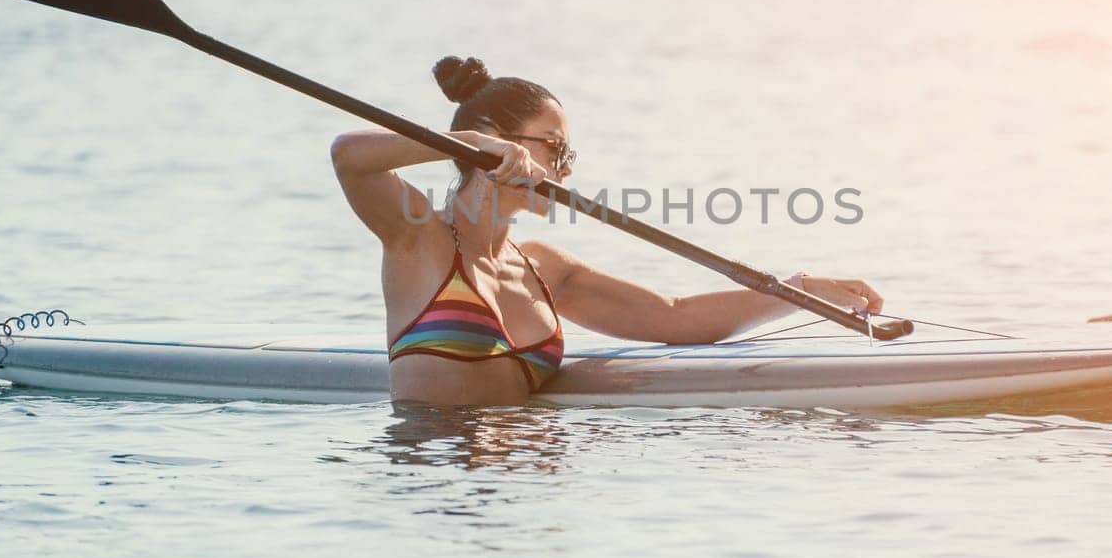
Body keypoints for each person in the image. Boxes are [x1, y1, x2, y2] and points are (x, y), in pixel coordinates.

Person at [331, 56, 884, 406]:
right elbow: (349, 157)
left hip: (535, 499)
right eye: (556, 147)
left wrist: (799, 291)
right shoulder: (418, 239)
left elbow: (676, 318)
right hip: (437, 488)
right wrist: (478, 145)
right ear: (496, 139)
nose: (567, 169)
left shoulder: (544, 268)